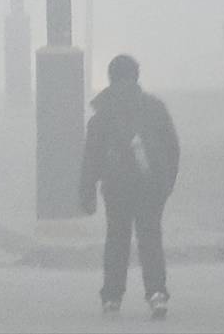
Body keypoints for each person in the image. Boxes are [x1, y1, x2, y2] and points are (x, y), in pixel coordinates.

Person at [79, 55, 180, 319]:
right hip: (151, 184)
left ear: (111, 77)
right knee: (150, 237)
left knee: (117, 239)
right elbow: (172, 148)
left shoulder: (103, 112)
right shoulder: (154, 107)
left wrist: (87, 192)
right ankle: (157, 293)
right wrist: (167, 182)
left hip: (116, 186)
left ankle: (112, 296)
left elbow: (92, 156)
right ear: (136, 76)